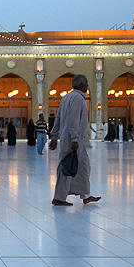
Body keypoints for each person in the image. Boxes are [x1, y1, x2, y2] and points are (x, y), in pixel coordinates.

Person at [49, 75, 100, 206]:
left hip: (69, 138)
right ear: (81, 85)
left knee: (81, 166)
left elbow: (58, 117)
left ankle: (85, 195)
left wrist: (54, 135)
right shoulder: (77, 99)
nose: (87, 87)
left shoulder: (67, 97)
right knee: (68, 167)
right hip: (73, 140)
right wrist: (75, 139)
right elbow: (73, 120)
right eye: (86, 84)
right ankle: (60, 198)